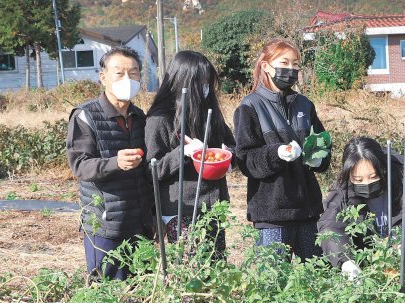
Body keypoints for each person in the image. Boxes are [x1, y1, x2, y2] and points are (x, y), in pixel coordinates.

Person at [233, 39, 330, 260]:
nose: (291, 69)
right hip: (272, 213)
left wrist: (318, 156)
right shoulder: (249, 107)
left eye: (295, 64)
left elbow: (323, 148)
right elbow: (247, 160)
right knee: (273, 281)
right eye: (284, 62)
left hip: (307, 209)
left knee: (315, 276)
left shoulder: (305, 105)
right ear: (266, 66)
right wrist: (277, 153)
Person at [66, 46, 152, 280]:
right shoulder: (85, 115)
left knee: (142, 287)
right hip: (106, 225)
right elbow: (80, 166)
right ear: (103, 77)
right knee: (108, 288)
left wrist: (152, 216)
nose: (128, 79)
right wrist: (115, 163)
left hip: (140, 223)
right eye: (119, 73)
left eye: (133, 73)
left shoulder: (141, 117)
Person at [145, 51, 235, 253]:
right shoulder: (160, 120)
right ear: (183, 82)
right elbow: (153, 169)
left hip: (214, 207)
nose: (206, 88)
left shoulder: (209, 114)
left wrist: (228, 156)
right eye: (201, 82)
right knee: (190, 272)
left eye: (208, 82)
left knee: (215, 271)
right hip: (182, 210)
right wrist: (184, 152)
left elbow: (232, 146)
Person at [317, 137, 405, 279]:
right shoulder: (343, 192)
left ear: (382, 168)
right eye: (358, 179)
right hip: (369, 273)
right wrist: (345, 261)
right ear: (349, 175)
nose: (367, 183)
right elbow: (329, 226)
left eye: (373, 177)